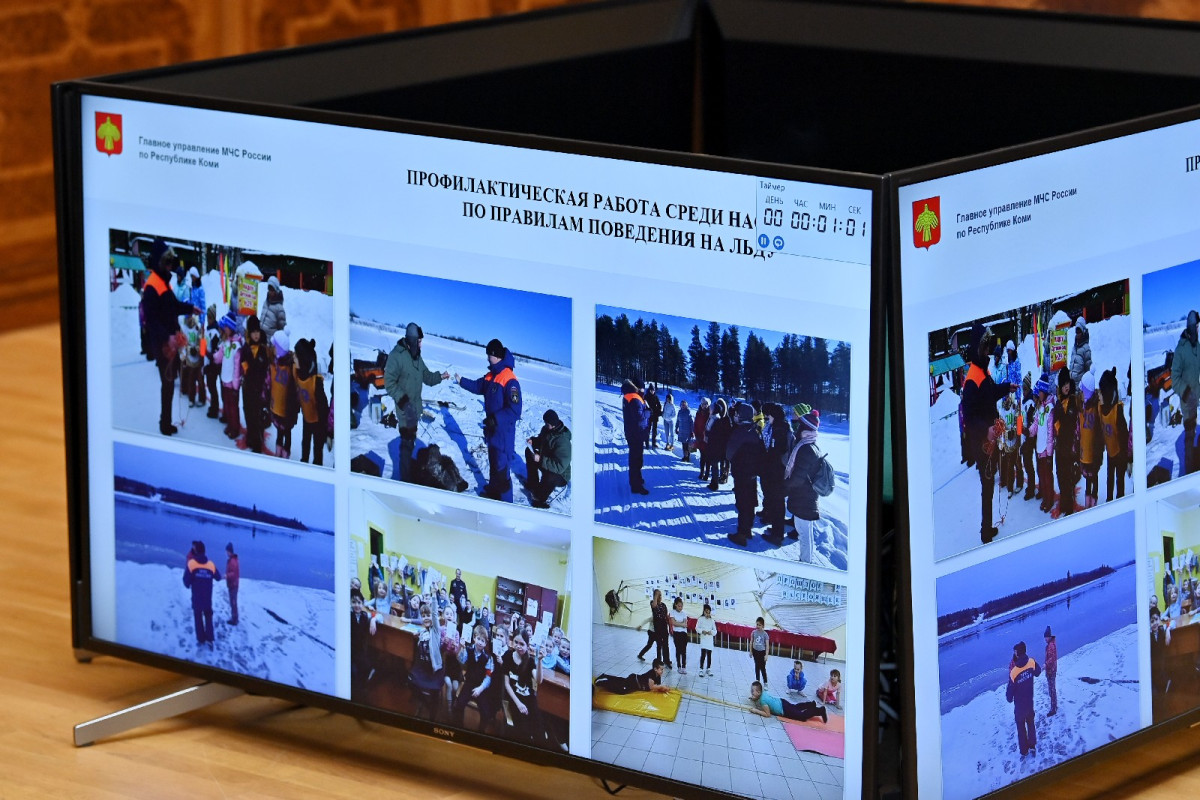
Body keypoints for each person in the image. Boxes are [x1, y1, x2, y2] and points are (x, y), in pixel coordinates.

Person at [961, 324, 1017, 543]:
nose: (988, 351)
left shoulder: (984, 370)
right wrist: (986, 430)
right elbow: (968, 418)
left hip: (990, 439)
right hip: (982, 442)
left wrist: (1006, 387)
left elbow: (991, 392)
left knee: (989, 483)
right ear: (978, 348)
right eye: (985, 347)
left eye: (988, 347)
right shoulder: (972, 379)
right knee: (987, 485)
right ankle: (985, 532)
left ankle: (987, 527)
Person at [141, 239, 200, 436]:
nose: (169, 265)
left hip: (171, 340)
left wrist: (190, 308)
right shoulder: (152, 285)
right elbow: (151, 321)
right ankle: (164, 423)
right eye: (166, 261)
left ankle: (165, 421)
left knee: (169, 382)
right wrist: (167, 338)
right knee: (167, 383)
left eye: (170, 261)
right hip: (162, 344)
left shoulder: (165, 281)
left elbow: (173, 306)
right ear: (159, 262)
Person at [457, 339, 522, 502]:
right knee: (494, 464)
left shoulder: (510, 380)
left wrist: (495, 418)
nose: (487, 358)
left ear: (497, 356)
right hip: (492, 431)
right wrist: (461, 381)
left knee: (502, 470)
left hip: (503, 434)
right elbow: (478, 386)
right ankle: (493, 492)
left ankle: (506, 504)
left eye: (489, 355)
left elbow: (515, 410)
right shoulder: (491, 375)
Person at [384, 323, 450, 483]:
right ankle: (405, 479)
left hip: (415, 409)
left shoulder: (417, 357)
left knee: (411, 441)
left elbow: (427, 376)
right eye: (419, 341)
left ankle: (407, 471)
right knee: (406, 444)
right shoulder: (397, 355)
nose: (421, 345)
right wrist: (403, 401)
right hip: (404, 409)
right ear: (412, 340)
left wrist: (440, 377)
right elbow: (389, 382)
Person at [783, 406, 826, 562]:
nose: (797, 427)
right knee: (805, 531)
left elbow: (798, 477)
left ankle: (805, 562)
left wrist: (785, 486)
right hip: (806, 495)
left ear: (805, 428)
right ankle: (806, 560)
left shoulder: (806, 448)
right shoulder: (810, 445)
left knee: (803, 532)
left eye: (800, 424)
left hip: (804, 497)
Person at [726, 401, 766, 547]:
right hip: (752, 473)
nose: (735, 415)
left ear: (742, 415)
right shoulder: (755, 430)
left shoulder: (739, 432)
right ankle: (748, 528)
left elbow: (729, 453)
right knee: (750, 500)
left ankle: (742, 534)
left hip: (741, 472)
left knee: (742, 502)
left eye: (737, 413)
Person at [759, 402, 793, 545]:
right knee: (775, 502)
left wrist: (766, 462)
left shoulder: (780, 430)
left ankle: (777, 535)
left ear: (775, 415)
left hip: (777, 472)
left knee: (777, 503)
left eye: (770, 415)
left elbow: (776, 452)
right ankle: (775, 529)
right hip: (775, 471)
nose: (768, 417)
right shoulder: (779, 427)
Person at [501, 629, 543, 745]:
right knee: (523, 730)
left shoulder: (529, 661)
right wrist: (518, 703)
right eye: (516, 642)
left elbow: (539, 680)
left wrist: (540, 661)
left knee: (539, 730)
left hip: (529, 698)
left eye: (522, 644)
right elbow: (506, 684)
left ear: (527, 645)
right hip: (514, 697)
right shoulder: (508, 656)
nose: (518, 646)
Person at [1171, 310, 1200, 474]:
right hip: (1187, 401)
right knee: (1189, 435)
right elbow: (1174, 378)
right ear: (1191, 327)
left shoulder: (1198, 346)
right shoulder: (1180, 349)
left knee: (1194, 430)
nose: (1199, 329)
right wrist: (1187, 393)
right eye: (1197, 327)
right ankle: (1188, 472)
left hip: (1196, 398)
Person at [453, 623, 497, 731]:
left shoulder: (488, 658)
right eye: (478, 639)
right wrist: (462, 647)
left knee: (486, 712)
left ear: (486, 643)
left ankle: (480, 732)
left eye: (483, 641)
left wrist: (480, 688)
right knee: (459, 705)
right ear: (474, 638)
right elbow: (461, 660)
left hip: (481, 686)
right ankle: (459, 729)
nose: (480, 642)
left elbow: (488, 677)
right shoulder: (468, 649)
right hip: (469, 683)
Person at [524, 409, 571, 508]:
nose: (545, 425)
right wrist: (533, 441)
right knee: (529, 452)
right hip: (546, 462)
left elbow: (560, 467)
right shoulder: (546, 429)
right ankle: (533, 485)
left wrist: (540, 459)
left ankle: (539, 499)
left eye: (547, 423)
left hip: (561, 475)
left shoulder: (563, 441)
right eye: (545, 422)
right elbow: (541, 442)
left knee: (550, 476)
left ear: (553, 424)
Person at [239, 314, 272, 454]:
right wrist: (246, 368)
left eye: (257, 331)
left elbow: (266, 369)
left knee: (258, 415)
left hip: (259, 389)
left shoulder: (264, 349)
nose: (256, 335)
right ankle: (251, 436)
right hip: (247, 387)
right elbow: (243, 362)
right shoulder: (246, 347)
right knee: (248, 412)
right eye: (253, 332)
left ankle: (258, 442)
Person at [293, 338, 329, 465]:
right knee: (305, 442)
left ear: (303, 360)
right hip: (307, 417)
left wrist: (326, 429)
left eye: (296, 356)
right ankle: (304, 462)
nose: (294, 358)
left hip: (318, 421)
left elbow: (324, 407)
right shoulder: (298, 374)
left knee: (317, 448)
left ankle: (317, 467)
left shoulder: (315, 382)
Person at [1005, 641, 1042, 758]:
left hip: (1020, 707)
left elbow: (1009, 697)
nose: (1014, 653)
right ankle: (1032, 746)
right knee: (1030, 723)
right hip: (1029, 702)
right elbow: (1038, 672)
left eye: (1015, 651)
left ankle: (1024, 751)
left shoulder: (1014, 672)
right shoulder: (1031, 662)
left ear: (1018, 653)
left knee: (1021, 728)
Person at [1099, 367, 1130, 502]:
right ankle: (1109, 500)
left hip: (1120, 453)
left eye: (1101, 392)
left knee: (1119, 479)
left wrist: (1126, 455)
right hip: (1111, 452)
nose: (1099, 394)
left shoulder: (1117, 411)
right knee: (1110, 478)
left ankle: (1120, 501)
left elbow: (1124, 434)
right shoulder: (1102, 408)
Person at [183, 540, 221, 646]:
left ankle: (201, 639)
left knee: (198, 617)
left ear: (196, 551)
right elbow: (218, 577)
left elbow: (186, 582)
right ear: (204, 551)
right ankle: (209, 638)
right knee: (208, 616)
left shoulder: (191, 564)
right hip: (207, 598)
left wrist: (193, 580)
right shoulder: (211, 565)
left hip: (196, 598)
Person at [268, 330, 299, 459]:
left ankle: (286, 453)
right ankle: (278, 450)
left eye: (275, 347)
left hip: (287, 408)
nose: (272, 349)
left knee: (287, 432)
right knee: (279, 431)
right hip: (276, 406)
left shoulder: (290, 365)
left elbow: (297, 382)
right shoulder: (273, 362)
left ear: (280, 348)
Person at [1053, 370, 1080, 516]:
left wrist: (1061, 424)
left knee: (1069, 475)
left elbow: (1070, 423)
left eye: (1067, 383)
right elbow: (1056, 422)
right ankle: (1064, 501)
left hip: (1070, 445)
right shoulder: (1058, 402)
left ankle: (1069, 506)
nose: (1066, 387)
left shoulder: (1073, 401)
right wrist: (1059, 426)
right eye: (1063, 384)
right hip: (1060, 445)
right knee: (1060, 474)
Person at [1030, 375, 1056, 513]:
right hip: (1039, 446)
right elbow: (1035, 424)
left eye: (1040, 391)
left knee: (1047, 475)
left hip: (1046, 448)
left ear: (1044, 391)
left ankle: (1049, 499)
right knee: (1041, 473)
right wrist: (1028, 431)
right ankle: (1045, 497)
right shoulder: (1040, 407)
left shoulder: (1050, 408)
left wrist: (1050, 453)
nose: (1038, 393)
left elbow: (1050, 432)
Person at [621, 378, 651, 495]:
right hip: (636, 433)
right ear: (638, 388)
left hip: (633, 432)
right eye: (643, 388)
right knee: (636, 459)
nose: (644, 390)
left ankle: (637, 479)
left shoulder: (630, 395)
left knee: (636, 458)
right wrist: (647, 413)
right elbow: (639, 416)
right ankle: (636, 485)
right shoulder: (634, 397)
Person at [215, 312, 242, 439]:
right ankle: (230, 425)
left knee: (233, 406)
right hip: (225, 379)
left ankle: (235, 428)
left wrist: (236, 385)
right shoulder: (225, 342)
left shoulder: (236, 345)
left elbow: (237, 367)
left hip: (232, 382)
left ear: (231, 328)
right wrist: (210, 355)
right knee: (227, 403)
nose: (224, 329)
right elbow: (219, 357)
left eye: (226, 327)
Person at [1078, 371, 1102, 510]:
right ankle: (1088, 500)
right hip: (1084, 451)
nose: (1080, 393)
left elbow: (1099, 432)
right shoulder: (1081, 407)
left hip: (1093, 451)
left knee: (1094, 476)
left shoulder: (1095, 407)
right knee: (1087, 478)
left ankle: (1094, 499)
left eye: (1082, 391)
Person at [748, 681, 827, 723]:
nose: (751, 692)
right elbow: (762, 697)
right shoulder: (764, 693)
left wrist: (756, 711)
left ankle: (820, 710)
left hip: (784, 710)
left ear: (759, 692)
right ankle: (811, 704)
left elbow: (767, 714)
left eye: (752, 691)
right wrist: (754, 698)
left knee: (802, 716)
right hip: (782, 702)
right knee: (795, 707)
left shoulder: (762, 700)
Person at [350, 587, 376, 702]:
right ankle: (355, 694)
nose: (357, 605)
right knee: (354, 672)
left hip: (360, 651)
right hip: (350, 652)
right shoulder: (348, 615)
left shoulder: (365, 615)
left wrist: (373, 620)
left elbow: (375, 614)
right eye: (354, 602)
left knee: (367, 667)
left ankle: (361, 689)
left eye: (359, 603)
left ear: (362, 604)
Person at [594, 659, 671, 694]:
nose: (663, 671)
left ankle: (605, 676)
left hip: (634, 680)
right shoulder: (651, 675)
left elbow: (657, 685)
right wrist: (662, 687)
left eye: (663, 669)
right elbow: (652, 687)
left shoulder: (658, 675)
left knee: (621, 681)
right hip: (634, 681)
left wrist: (664, 689)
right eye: (661, 669)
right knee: (622, 690)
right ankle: (602, 682)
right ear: (655, 669)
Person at [637, 589, 671, 667]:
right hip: (656, 629)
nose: (660, 597)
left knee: (665, 645)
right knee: (657, 646)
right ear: (655, 597)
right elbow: (654, 606)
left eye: (660, 595)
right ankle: (659, 661)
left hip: (664, 628)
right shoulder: (653, 603)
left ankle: (667, 660)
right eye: (658, 595)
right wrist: (656, 595)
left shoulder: (663, 605)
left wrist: (669, 623)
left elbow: (666, 616)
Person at [706, 399, 733, 489]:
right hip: (721, 446)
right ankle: (718, 480)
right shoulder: (721, 419)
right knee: (717, 464)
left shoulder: (718, 419)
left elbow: (712, 433)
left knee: (716, 464)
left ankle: (716, 482)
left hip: (718, 446)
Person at [203, 305, 221, 419]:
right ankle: (213, 406)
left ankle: (215, 408)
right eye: (207, 317)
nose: (208, 319)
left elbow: (215, 351)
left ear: (214, 317)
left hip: (212, 364)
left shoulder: (215, 332)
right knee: (210, 386)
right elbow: (203, 348)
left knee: (212, 386)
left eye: (210, 317)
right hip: (207, 362)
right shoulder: (207, 330)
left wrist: (207, 355)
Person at [259, 275, 286, 344]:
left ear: (276, 290)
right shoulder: (266, 302)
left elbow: (281, 330)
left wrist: (274, 343)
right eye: (269, 288)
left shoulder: (279, 309)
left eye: (272, 289)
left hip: (269, 343)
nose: (270, 291)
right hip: (260, 339)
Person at [1069, 317, 1093, 387]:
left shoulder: (1086, 349)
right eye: (1076, 332)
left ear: (1083, 332)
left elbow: (1088, 370)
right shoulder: (1074, 348)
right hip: (1072, 386)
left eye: (1079, 331)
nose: (1077, 334)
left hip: (1080, 387)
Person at [669, 596, 689, 674]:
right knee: (678, 650)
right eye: (679, 606)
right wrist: (681, 624)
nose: (680, 608)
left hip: (684, 633)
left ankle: (684, 667)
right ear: (675, 605)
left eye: (681, 606)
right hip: (676, 633)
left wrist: (679, 623)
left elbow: (685, 624)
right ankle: (679, 666)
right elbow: (673, 623)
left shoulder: (684, 613)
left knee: (683, 651)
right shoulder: (672, 612)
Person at [696, 603, 716, 677]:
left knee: (709, 655)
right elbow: (697, 628)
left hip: (709, 640)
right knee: (703, 654)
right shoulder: (700, 619)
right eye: (706, 612)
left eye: (709, 612)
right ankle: (701, 669)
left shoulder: (712, 620)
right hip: (704, 639)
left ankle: (708, 668)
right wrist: (702, 631)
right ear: (704, 612)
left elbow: (715, 631)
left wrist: (711, 632)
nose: (708, 614)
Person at [694, 397, 712, 480]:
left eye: (705, 404)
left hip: (708, 438)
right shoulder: (698, 413)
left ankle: (707, 473)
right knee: (702, 456)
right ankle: (701, 472)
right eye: (702, 404)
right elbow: (695, 424)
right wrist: (696, 435)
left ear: (708, 404)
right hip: (700, 438)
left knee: (708, 457)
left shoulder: (710, 414)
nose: (704, 405)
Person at [750, 616, 770, 688]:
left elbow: (767, 646)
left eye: (760, 625)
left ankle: (765, 682)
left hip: (762, 653)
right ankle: (757, 681)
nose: (758, 626)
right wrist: (751, 651)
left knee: (762, 668)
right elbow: (751, 642)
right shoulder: (753, 632)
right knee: (757, 666)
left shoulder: (765, 634)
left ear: (763, 626)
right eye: (757, 624)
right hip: (755, 652)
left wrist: (766, 655)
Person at [1044, 626, 1058, 717]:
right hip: (1051, 670)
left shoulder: (1051, 646)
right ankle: (1054, 706)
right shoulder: (1050, 644)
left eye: (1046, 637)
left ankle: (1053, 709)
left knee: (1052, 690)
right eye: (1044, 637)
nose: (1045, 639)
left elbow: (1052, 658)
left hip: (1051, 671)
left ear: (1049, 637)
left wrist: (1046, 665)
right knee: (1052, 689)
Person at [224, 542, 240, 626]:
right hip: (233, 584)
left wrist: (227, 576)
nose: (226, 553)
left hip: (233, 584)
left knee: (233, 602)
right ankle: (234, 618)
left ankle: (234, 619)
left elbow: (233, 573)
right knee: (233, 602)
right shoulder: (232, 560)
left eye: (227, 551)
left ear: (229, 551)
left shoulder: (232, 561)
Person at [645, 383, 663, 449]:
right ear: (649, 390)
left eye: (653, 390)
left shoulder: (656, 397)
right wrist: (648, 409)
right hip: (648, 415)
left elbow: (659, 405)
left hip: (655, 415)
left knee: (654, 430)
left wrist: (657, 410)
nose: (653, 391)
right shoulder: (646, 396)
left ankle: (654, 443)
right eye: (651, 390)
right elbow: (644, 405)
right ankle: (647, 443)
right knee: (648, 430)